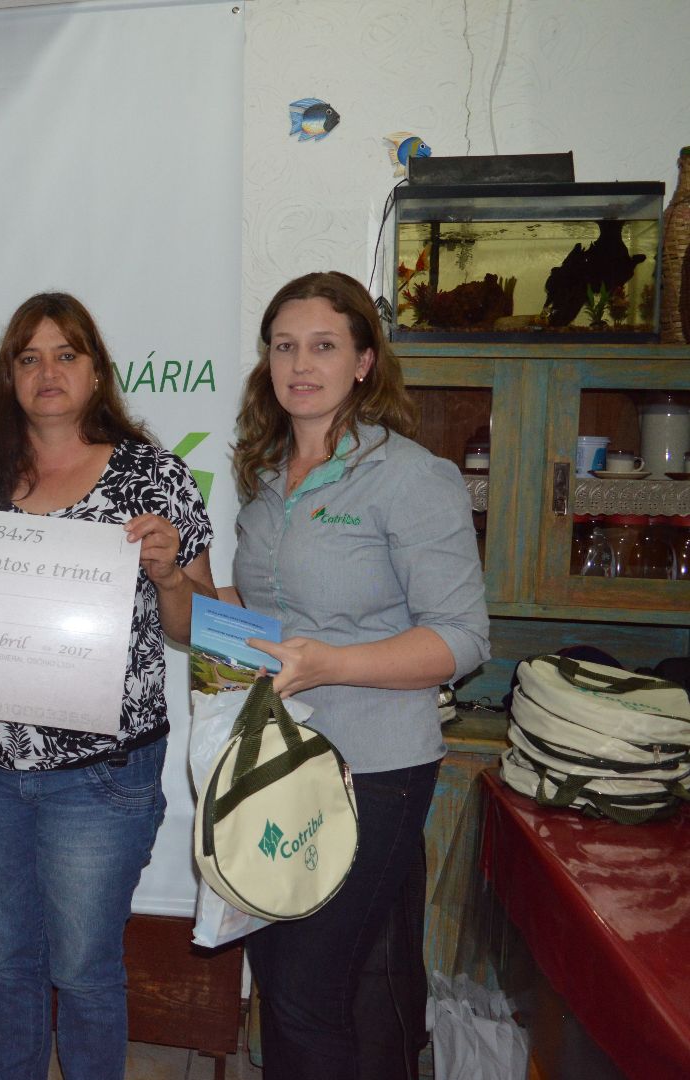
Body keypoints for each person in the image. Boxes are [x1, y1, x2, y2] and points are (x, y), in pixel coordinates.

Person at [0, 292, 215, 1080]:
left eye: (66, 354)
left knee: (83, 969)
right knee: (7, 955)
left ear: (96, 371)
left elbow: (198, 627)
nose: (48, 371)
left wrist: (171, 573)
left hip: (102, 776)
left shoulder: (153, 478)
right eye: (30, 357)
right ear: (9, 376)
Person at [229, 272, 489, 1080]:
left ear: (365, 361)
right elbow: (265, 609)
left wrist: (330, 664)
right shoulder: (265, 478)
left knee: (309, 990)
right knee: (278, 976)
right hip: (279, 759)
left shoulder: (411, 476)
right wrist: (176, 583)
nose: (300, 364)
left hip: (373, 770)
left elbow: (462, 639)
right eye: (284, 346)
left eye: (323, 346)